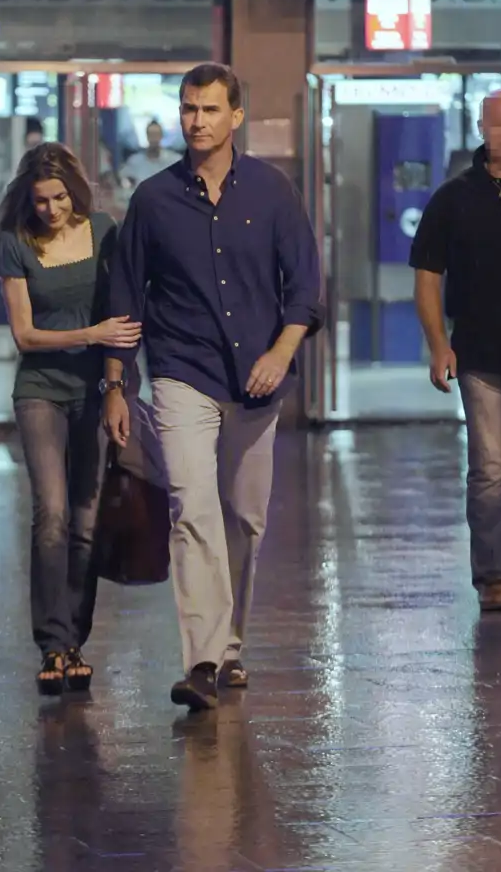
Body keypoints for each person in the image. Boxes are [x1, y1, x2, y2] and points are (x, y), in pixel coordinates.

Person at [105, 62, 323, 711]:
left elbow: (305, 286)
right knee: (192, 507)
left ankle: (230, 644)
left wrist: (281, 352)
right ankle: (202, 660)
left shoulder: (272, 191)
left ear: (236, 116)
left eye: (209, 109)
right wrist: (117, 383)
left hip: (257, 379)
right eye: (188, 108)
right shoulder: (153, 200)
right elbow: (126, 296)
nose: (196, 121)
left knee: (245, 520)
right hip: (183, 371)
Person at [0, 142, 141, 697]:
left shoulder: (103, 231)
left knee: (85, 521)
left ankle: (74, 641)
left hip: (94, 390)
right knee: (51, 514)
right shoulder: (15, 242)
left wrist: (117, 381)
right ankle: (51, 644)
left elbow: (124, 310)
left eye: (59, 198)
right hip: (41, 389)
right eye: (40, 201)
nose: (51, 209)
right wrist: (90, 333)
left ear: (74, 193)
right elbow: (25, 335)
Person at [410, 87, 501, 612]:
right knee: (491, 471)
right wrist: (438, 344)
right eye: (498, 123)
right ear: (481, 129)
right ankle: (493, 578)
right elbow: (427, 276)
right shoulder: (453, 198)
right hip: (480, 357)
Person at [119, 120, 180, 187]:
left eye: (156, 134)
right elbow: (123, 179)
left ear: (161, 136)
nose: (154, 139)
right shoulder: (135, 161)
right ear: (147, 136)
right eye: (151, 135)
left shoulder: (174, 161)